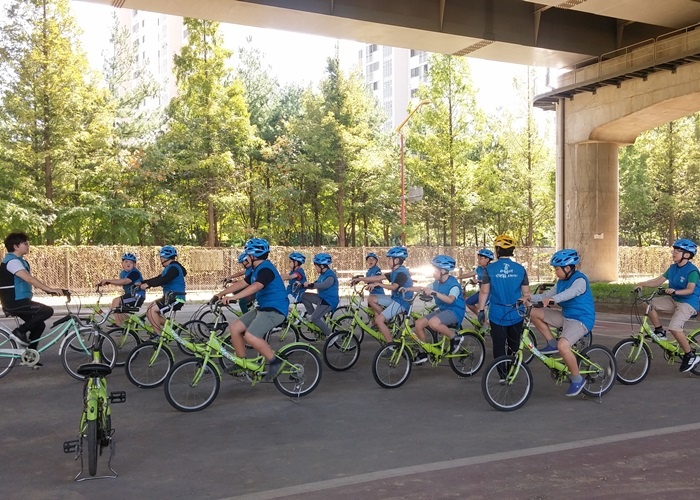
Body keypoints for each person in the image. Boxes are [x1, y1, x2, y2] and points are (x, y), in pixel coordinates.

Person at [213, 238, 289, 380]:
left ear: (253, 255)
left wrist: (235, 298)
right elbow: (243, 282)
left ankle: (275, 361)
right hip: (263, 308)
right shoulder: (256, 269)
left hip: (275, 310)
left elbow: (256, 286)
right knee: (235, 327)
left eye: (247, 254)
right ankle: (241, 362)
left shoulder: (266, 269)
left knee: (251, 336)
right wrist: (221, 294)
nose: (246, 256)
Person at [529, 249, 595, 397]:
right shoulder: (561, 282)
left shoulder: (580, 280)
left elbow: (570, 293)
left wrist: (554, 300)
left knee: (563, 346)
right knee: (533, 312)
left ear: (567, 268)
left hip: (580, 320)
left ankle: (577, 379)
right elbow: (546, 295)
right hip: (565, 316)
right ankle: (551, 342)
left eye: (557, 269)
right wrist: (527, 298)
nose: (555, 272)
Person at [635, 238, 700, 373]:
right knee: (647, 303)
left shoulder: (692, 271)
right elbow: (658, 281)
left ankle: (690, 355)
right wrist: (642, 284)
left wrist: (676, 291)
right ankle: (660, 331)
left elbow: (690, 289)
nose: (674, 252)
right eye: (674, 250)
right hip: (674, 300)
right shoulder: (672, 268)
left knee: (675, 328)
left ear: (687, 255)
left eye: (678, 250)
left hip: (689, 302)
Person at [0, 232, 63, 352]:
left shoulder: (20, 261)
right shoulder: (12, 262)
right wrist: (49, 289)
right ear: (15, 246)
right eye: (25, 243)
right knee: (47, 311)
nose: (28, 245)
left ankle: (30, 355)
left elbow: (29, 281)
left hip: (21, 300)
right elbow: (29, 279)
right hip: (14, 301)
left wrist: (49, 291)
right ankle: (19, 332)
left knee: (39, 324)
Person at [403, 255, 466, 365]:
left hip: (455, 311)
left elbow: (450, 300)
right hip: (443, 310)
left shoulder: (454, 285)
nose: (433, 273)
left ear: (442, 271)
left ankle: (455, 337)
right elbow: (423, 288)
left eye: (434, 270)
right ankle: (425, 352)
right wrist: (407, 288)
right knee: (418, 324)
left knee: (433, 322)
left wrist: (435, 293)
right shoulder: (436, 283)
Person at [477, 234, 530, 361]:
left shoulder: (489, 269)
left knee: (499, 345)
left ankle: (502, 375)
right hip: (516, 313)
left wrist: (481, 310)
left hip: (497, 314)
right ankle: (512, 372)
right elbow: (526, 294)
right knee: (514, 345)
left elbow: (484, 292)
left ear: (497, 250)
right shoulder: (520, 269)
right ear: (512, 251)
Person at [351, 246, 414, 343]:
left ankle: (390, 345)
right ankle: (386, 318)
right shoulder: (394, 271)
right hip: (395, 298)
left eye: (389, 259)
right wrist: (360, 279)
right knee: (371, 298)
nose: (388, 261)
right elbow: (377, 278)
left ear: (396, 260)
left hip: (402, 302)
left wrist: (379, 284)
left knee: (379, 320)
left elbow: (394, 287)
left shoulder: (402, 273)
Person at [139, 245, 187, 334]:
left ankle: (158, 335)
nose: (160, 260)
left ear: (165, 258)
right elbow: (158, 278)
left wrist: (148, 284)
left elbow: (163, 280)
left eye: (161, 258)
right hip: (170, 297)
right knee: (150, 307)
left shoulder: (173, 268)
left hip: (175, 298)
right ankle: (171, 326)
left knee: (151, 311)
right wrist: (143, 282)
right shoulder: (171, 268)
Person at [98, 252, 146, 326]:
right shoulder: (123, 273)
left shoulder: (135, 273)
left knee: (116, 301)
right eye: (126, 261)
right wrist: (108, 282)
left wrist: (109, 281)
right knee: (114, 306)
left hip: (137, 297)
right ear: (122, 263)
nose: (128, 264)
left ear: (134, 265)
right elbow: (119, 281)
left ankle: (118, 324)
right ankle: (132, 323)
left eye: (131, 262)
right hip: (130, 295)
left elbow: (125, 281)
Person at [299, 253, 339, 339]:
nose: (315, 268)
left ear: (322, 266)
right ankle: (313, 315)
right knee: (304, 296)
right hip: (321, 298)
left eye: (316, 266)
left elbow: (324, 285)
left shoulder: (330, 275)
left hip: (328, 301)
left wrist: (312, 285)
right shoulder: (322, 275)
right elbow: (317, 283)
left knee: (314, 318)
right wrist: (303, 285)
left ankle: (331, 335)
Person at [458, 248, 494, 316]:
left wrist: (479, 281)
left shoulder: (492, 268)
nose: (479, 260)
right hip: (481, 292)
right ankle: (482, 319)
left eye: (481, 259)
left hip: (490, 293)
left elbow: (494, 280)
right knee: (468, 302)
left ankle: (486, 322)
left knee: (483, 307)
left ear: (487, 259)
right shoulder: (479, 268)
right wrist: (458, 277)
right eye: (478, 258)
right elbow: (471, 273)